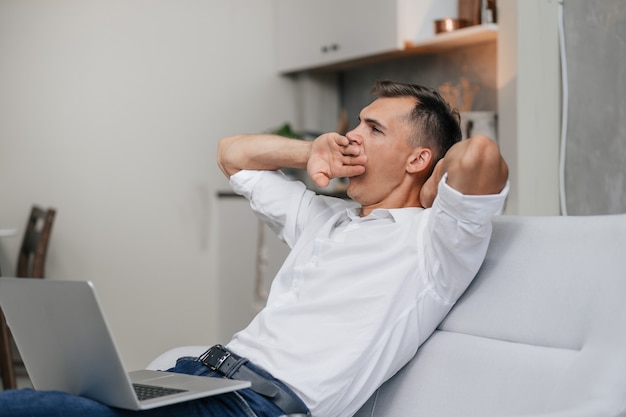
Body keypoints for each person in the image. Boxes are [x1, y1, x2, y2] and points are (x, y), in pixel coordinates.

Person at [0, 81, 509, 417]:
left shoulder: (434, 243)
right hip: (203, 378)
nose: (351, 137)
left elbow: (480, 153)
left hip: (257, 408)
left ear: (419, 156)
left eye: (372, 130)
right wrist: (309, 150)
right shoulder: (323, 217)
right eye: (355, 123)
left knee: (31, 409)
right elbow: (232, 155)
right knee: (57, 400)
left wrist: (426, 191)